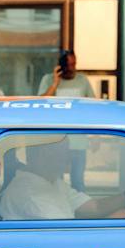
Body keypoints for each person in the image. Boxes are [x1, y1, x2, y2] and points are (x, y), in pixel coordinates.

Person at [0, 138, 125, 221]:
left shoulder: (50, 182)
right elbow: (75, 239)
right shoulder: (32, 195)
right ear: (42, 154)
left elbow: (95, 207)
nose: (71, 156)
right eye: (63, 150)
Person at [43, 50, 93, 189]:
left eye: (74, 64)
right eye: (68, 65)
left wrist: (95, 136)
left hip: (78, 141)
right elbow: (41, 103)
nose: (72, 68)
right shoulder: (48, 79)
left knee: (78, 181)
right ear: (61, 66)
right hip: (56, 140)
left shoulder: (82, 80)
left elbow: (92, 107)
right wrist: (55, 84)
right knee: (55, 181)